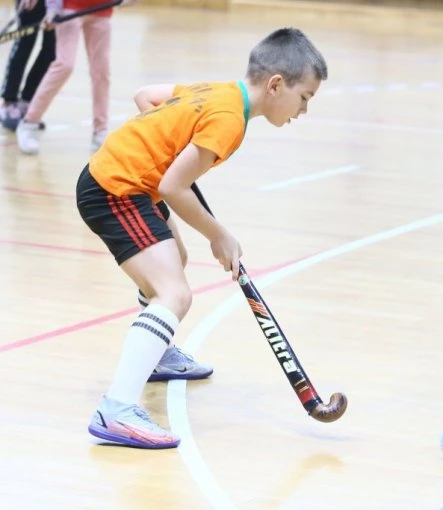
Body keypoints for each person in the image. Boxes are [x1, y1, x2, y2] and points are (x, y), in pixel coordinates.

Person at [75, 27, 328, 449]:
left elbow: (146, 96)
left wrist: (156, 144)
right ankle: (116, 410)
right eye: (305, 98)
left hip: (126, 180)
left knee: (174, 258)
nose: (303, 110)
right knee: (174, 294)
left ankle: (156, 354)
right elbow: (175, 187)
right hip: (115, 189)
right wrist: (220, 235)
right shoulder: (230, 120)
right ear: (276, 85)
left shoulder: (219, 92)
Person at [16, 0, 136, 155]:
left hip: (102, 10)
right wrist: (53, 8)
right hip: (70, 9)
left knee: (101, 71)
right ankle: (29, 122)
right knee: (64, 65)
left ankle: (100, 131)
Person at [0, 0, 56, 131]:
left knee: (51, 51)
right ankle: (9, 102)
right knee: (24, 45)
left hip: (56, 4)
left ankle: (27, 102)